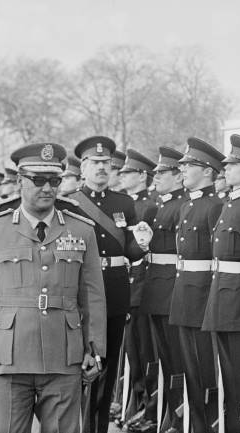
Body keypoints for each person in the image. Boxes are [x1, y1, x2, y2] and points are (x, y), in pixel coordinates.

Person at [0, 142, 107, 433]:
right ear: (20, 182)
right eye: (38, 180)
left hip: (64, 357)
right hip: (9, 357)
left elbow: (92, 297)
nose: (47, 188)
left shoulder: (82, 230)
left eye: (54, 181)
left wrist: (95, 350)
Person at [65, 136, 152, 433]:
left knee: (108, 368)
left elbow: (131, 250)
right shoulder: (70, 203)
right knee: (79, 368)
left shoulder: (124, 203)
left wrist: (142, 244)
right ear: (84, 168)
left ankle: (97, 428)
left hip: (114, 293)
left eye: (106, 164)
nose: (102, 168)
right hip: (79, 295)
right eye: (96, 163)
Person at [202, 134, 240, 433]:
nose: (225, 170)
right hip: (223, 295)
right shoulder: (231, 202)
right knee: (229, 375)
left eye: (233, 165)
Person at [169, 137, 225, 433]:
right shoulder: (186, 206)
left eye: (189, 166)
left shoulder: (215, 206)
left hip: (203, 298)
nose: (183, 171)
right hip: (184, 297)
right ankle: (196, 425)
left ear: (207, 171)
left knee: (206, 373)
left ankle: (209, 426)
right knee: (191, 372)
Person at [139, 146, 187, 433]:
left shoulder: (182, 206)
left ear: (178, 176)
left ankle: (179, 414)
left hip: (172, 288)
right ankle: (170, 410)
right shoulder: (158, 206)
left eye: (162, 173)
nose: (155, 177)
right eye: (155, 172)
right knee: (165, 360)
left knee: (177, 360)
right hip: (156, 287)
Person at [118, 149, 159, 432]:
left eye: (127, 173)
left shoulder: (149, 206)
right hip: (126, 283)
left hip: (142, 284)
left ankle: (149, 407)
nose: (122, 176)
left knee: (146, 351)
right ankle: (136, 401)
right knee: (132, 350)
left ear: (142, 176)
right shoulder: (124, 205)